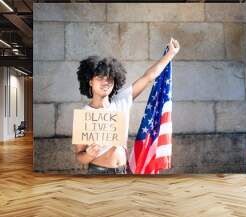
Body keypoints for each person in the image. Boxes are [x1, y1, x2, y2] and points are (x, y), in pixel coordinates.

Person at [74, 37, 180, 174]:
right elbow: (79, 156)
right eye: (100, 78)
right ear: (90, 82)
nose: (105, 82)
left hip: (125, 171)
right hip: (99, 173)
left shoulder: (121, 101)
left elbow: (148, 77)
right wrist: (89, 154)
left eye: (109, 78)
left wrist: (170, 54)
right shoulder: (84, 114)